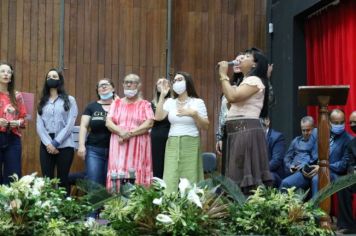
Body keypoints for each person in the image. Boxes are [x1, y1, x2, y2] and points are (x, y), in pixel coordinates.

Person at [217, 48, 273, 194]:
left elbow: (232, 97)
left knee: (242, 177)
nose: (241, 58)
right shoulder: (245, 81)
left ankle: (245, 210)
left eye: (247, 57)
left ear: (255, 64)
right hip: (238, 131)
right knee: (238, 175)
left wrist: (223, 75)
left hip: (246, 131)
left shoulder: (254, 80)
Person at [155, 71, 209, 193]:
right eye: (175, 81)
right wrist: (162, 96)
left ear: (187, 82)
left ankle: (190, 207)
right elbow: (158, 117)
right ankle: (169, 206)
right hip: (172, 141)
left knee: (190, 177)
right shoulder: (170, 102)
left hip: (191, 141)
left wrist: (194, 114)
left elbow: (205, 126)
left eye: (180, 79)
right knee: (170, 176)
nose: (176, 82)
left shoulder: (197, 102)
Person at [106, 74, 154, 190]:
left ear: (139, 85)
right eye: (126, 82)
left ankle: (137, 204)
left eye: (132, 82)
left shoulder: (145, 104)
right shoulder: (116, 103)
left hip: (138, 144)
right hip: (118, 144)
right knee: (117, 173)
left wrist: (129, 134)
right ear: (122, 84)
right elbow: (108, 122)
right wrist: (121, 132)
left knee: (136, 174)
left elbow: (149, 123)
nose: (128, 84)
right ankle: (116, 202)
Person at [36, 68, 78, 194]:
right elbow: (39, 125)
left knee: (62, 179)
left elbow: (70, 123)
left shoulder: (70, 100)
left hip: (65, 144)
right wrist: (49, 143)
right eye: (49, 76)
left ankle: (64, 210)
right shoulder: (42, 101)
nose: (51, 79)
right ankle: (48, 209)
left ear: (60, 80)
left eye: (54, 76)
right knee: (47, 179)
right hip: (46, 144)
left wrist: (56, 143)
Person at [77, 79, 116, 187]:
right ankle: (96, 204)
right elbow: (84, 126)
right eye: (100, 86)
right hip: (94, 150)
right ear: (98, 91)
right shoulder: (91, 107)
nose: (103, 87)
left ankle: (109, 204)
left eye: (106, 85)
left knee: (112, 184)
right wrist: (81, 146)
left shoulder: (119, 106)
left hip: (115, 150)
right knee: (94, 183)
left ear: (113, 88)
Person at [309, 109, 351, 196]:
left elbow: (343, 165)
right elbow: (308, 152)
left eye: (342, 122)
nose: (339, 125)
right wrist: (304, 166)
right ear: (329, 122)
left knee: (317, 179)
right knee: (287, 182)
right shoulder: (320, 132)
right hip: (313, 168)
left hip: (333, 172)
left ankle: (315, 209)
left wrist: (322, 167)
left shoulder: (349, 140)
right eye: (336, 123)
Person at [216, 53, 244, 174]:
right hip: (228, 132)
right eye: (235, 61)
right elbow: (223, 114)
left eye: (241, 60)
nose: (237, 63)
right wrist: (220, 137)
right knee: (227, 169)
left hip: (243, 131)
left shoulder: (248, 83)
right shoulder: (229, 84)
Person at [0, 62, 27, 185]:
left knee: (13, 176)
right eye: (2, 71)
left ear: (11, 77)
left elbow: (24, 119)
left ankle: (10, 204)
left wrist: (17, 122)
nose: (6, 74)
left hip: (13, 138)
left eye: (8, 72)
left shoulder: (17, 95)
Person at [279, 116, 317, 191]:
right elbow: (287, 157)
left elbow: (313, 159)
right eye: (303, 130)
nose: (306, 133)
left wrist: (302, 166)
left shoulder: (316, 140)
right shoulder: (296, 141)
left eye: (308, 130)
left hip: (304, 171)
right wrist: (290, 166)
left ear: (313, 128)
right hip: (293, 170)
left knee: (285, 183)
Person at [337, 111, 356, 234]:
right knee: (342, 185)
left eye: (355, 122)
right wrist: (353, 170)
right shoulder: (351, 144)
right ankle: (348, 225)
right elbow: (350, 164)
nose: (352, 125)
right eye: (351, 123)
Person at [151, 78, 171, 178]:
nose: (162, 84)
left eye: (165, 82)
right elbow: (156, 119)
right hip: (156, 137)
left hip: (171, 136)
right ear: (156, 87)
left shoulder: (174, 102)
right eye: (159, 82)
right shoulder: (151, 104)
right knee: (157, 164)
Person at [261, 116, 286, 187]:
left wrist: (260, 171)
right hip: (258, 171)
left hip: (273, 173)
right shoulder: (253, 138)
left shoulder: (277, 137)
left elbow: (276, 161)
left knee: (268, 177)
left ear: (267, 121)